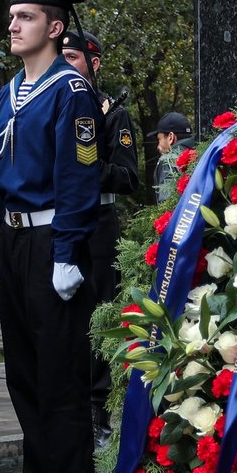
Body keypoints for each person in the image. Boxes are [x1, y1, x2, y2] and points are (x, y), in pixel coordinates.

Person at [0, 0, 101, 473]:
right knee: (23, 377)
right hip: (13, 240)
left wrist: (68, 249)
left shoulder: (71, 92)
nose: (13, 23)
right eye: (12, 16)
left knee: (60, 380)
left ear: (54, 28)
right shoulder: (5, 96)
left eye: (25, 16)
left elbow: (78, 175)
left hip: (53, 238)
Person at [60, 28, 142, 449]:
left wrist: (85, 169)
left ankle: (98, 416)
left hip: (97, 223)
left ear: (94, 64)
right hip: (57, 224)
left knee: (98, 319)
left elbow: (128, 176)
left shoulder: (113, 114)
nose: (66, 63)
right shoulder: (54, 103)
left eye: (73, 57)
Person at [151, 112, 194, 201]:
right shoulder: (201, 152)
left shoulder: (169, 160)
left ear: (170, 137)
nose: (158, 146)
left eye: (159, 139)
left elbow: (167, 202)